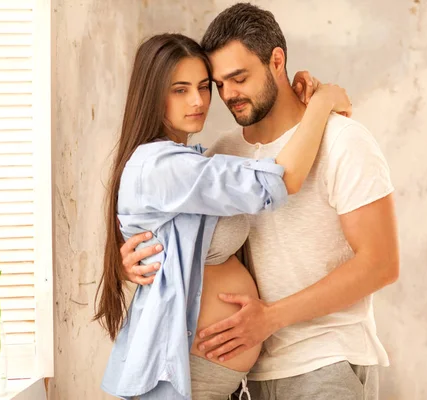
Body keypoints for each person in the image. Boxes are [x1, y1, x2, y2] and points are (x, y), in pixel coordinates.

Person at [120, 3, 400, 400]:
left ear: (277, 61)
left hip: (324, 361)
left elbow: (381, 264)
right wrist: (131, 261)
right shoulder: (223, 152)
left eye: (239, 78)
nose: (227, 95)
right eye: (218, 84)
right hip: (252, 376)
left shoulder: (343, 141)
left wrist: (271, 318)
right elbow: (190, 242)